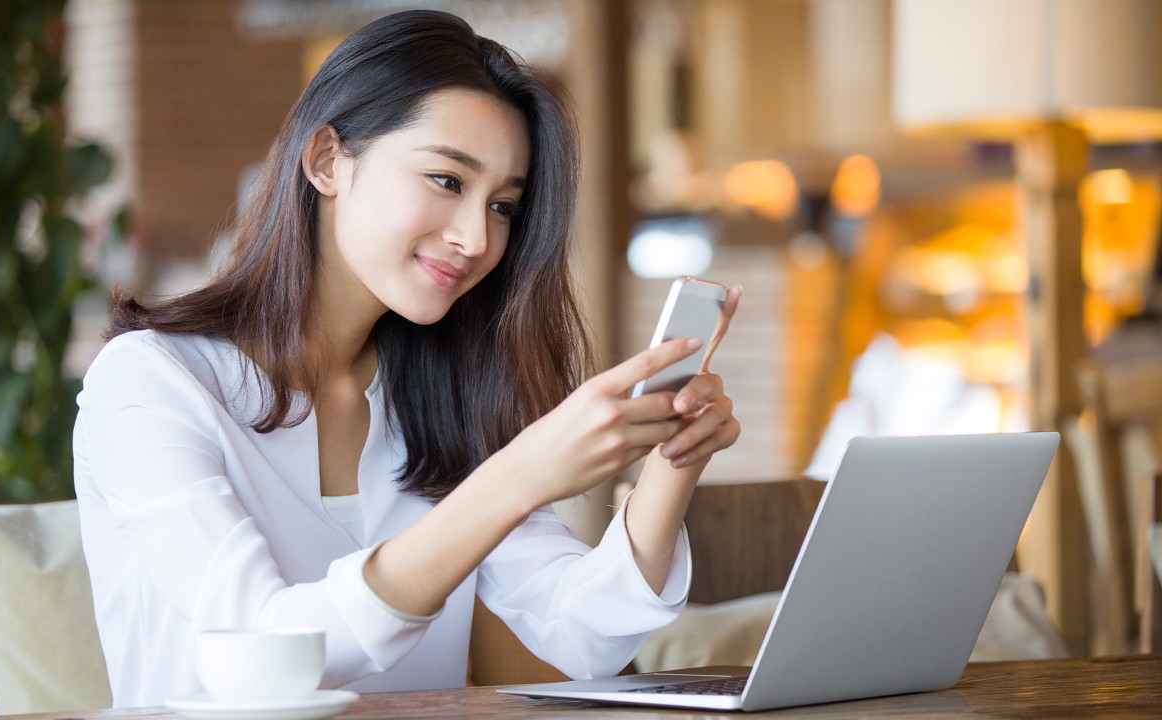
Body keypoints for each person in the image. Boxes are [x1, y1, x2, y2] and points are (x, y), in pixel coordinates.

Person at [73, 9, 741, 708]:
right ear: (327, 160)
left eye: (504, 206)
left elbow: (580, 634)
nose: (476, 237)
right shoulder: (150, 382)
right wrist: (516, 478)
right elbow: (265, 648)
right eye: (448, 181)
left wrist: (672, 461)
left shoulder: (439, 398)